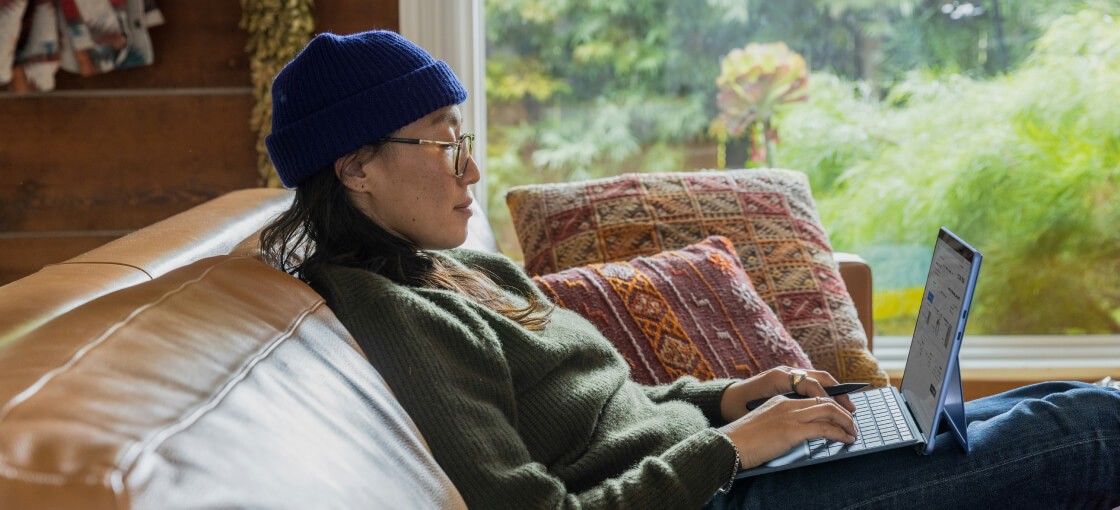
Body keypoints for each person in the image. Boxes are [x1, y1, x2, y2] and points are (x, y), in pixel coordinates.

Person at [260, 30, 1119, 509]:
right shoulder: (388, 316)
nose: (469, 169)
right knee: (1092, 428)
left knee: (1054, 401)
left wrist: (731, 395)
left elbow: (609, 418)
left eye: (464, 139)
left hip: (722, 465)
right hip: (713, 501)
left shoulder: (458, 270)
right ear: (353, 165)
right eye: (443, 140)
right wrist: (727, 450)